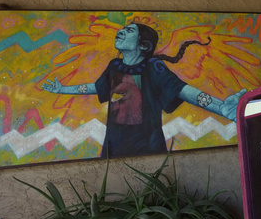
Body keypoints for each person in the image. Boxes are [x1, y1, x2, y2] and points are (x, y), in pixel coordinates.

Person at [42, 23, 245, 157]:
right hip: (114, 146)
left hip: (147, 147)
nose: (120, 31)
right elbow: (96, 88)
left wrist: (221, 108)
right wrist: (62, 89)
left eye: (129, 31)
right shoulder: (114, 66)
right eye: (121, 29)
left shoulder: (154, 68)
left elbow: (184, 91)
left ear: (143, 45)